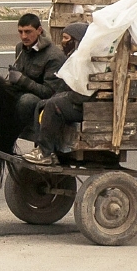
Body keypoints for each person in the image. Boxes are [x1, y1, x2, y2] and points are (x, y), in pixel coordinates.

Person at [22, 22, 91, 166]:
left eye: (66, 38)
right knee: (43, 103)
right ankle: (46, 150)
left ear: (76, 40)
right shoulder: (73, 58)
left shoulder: (84, 60)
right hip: (74, 101)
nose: (63, 42)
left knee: (54, 105)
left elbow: (82, 95)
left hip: (85, 107)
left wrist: (61, 98)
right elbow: (63, 87)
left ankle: (45, 153)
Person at [6, 13, 67, 133]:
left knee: (26, 101)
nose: (24, 36)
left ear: (39, 30)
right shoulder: (20, 48)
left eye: (28, 32)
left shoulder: (53, 56)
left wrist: (22, 80)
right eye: (21, 32)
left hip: (46, 102)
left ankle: (15, 134)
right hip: (24, 93)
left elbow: (49, 92)